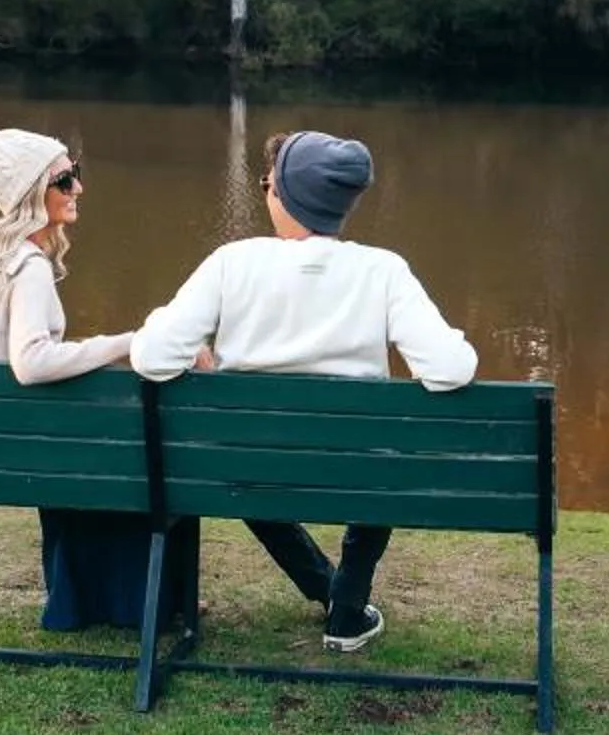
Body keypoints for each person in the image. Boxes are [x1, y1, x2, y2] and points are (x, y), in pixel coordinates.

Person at [130, 129, 476, 653]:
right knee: (384, 462)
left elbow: (151, 356)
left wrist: (191, 345)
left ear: (284, 194)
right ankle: (346, 605)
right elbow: (450, 369)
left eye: (268, 182)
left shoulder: (232, 263)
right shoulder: (383, 272)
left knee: (243, 459)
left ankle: (326, 589)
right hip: (357, 473)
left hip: (249, 471)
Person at [0, 122, 187, 633]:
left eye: (75, 176)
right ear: (32, 192)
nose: (78, 189)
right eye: (64, 181)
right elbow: (31, 362)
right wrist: (129, 341)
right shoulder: (26, 263)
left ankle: (83, 598)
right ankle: (132, 602)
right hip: (30, 447)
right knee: (145, 460)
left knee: (108, 447)